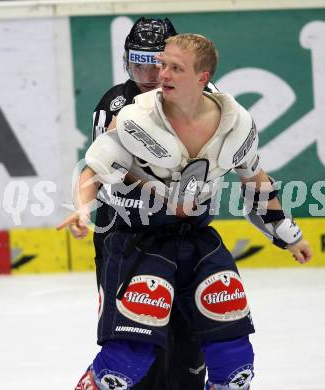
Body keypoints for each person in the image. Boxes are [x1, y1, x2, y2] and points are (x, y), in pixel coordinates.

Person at [60, 34, 312, 390]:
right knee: (125, 361)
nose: (161, 74)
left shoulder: (237, 123)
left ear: (202, 77)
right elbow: (94, 168)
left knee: (234, 362)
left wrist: (287, 234)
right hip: (139, 243)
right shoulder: (135, 117)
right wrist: (82, 208)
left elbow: (255, 179)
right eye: (163, 65)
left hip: (197, 242)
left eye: (175, 68)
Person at [64, 18, 207, 390]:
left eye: (154, 64)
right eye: (137, 63)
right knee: (132, 340)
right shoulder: (115, 104)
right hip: (125, 241)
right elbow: (105, 166)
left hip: (186, 237)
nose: (145, 75)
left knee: (189, 346)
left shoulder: (204, 99)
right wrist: (85, 207)